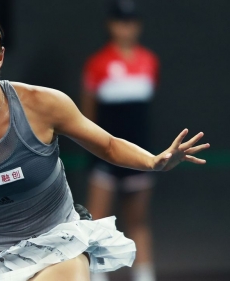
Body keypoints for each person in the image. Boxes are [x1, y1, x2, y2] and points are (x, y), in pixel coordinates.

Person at [0, 4, 209, 281]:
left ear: (0, 57)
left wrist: (153, 161)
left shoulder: (43, 105)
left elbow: (106, 144)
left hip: (55, 241)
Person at [81, 1, 159, 280]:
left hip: (138, 156)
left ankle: (144, 275)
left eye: (131, 22)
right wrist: (96, 150)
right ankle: (96, 275)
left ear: (137, 26)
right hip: (104, 156)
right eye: (120, 22)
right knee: (97, 221)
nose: (126, 28)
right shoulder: (97, 64)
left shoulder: (149, 61)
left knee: (138, 219)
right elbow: (87, 115)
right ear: (111, 25)